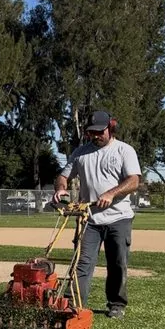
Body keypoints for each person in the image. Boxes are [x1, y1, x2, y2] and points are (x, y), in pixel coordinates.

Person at [53, 110, 142, 318]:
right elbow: (63, 176)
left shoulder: (124, 151)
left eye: (99, 132)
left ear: (110, 128)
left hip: (118, 218)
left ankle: (116, 304)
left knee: (117, 263)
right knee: (81, 263)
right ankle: (75, 305)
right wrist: (61, 188)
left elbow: (134, 181)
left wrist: (111, 194)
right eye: (91, 132)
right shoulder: (80, 153)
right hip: (88, 219)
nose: (95, 136)